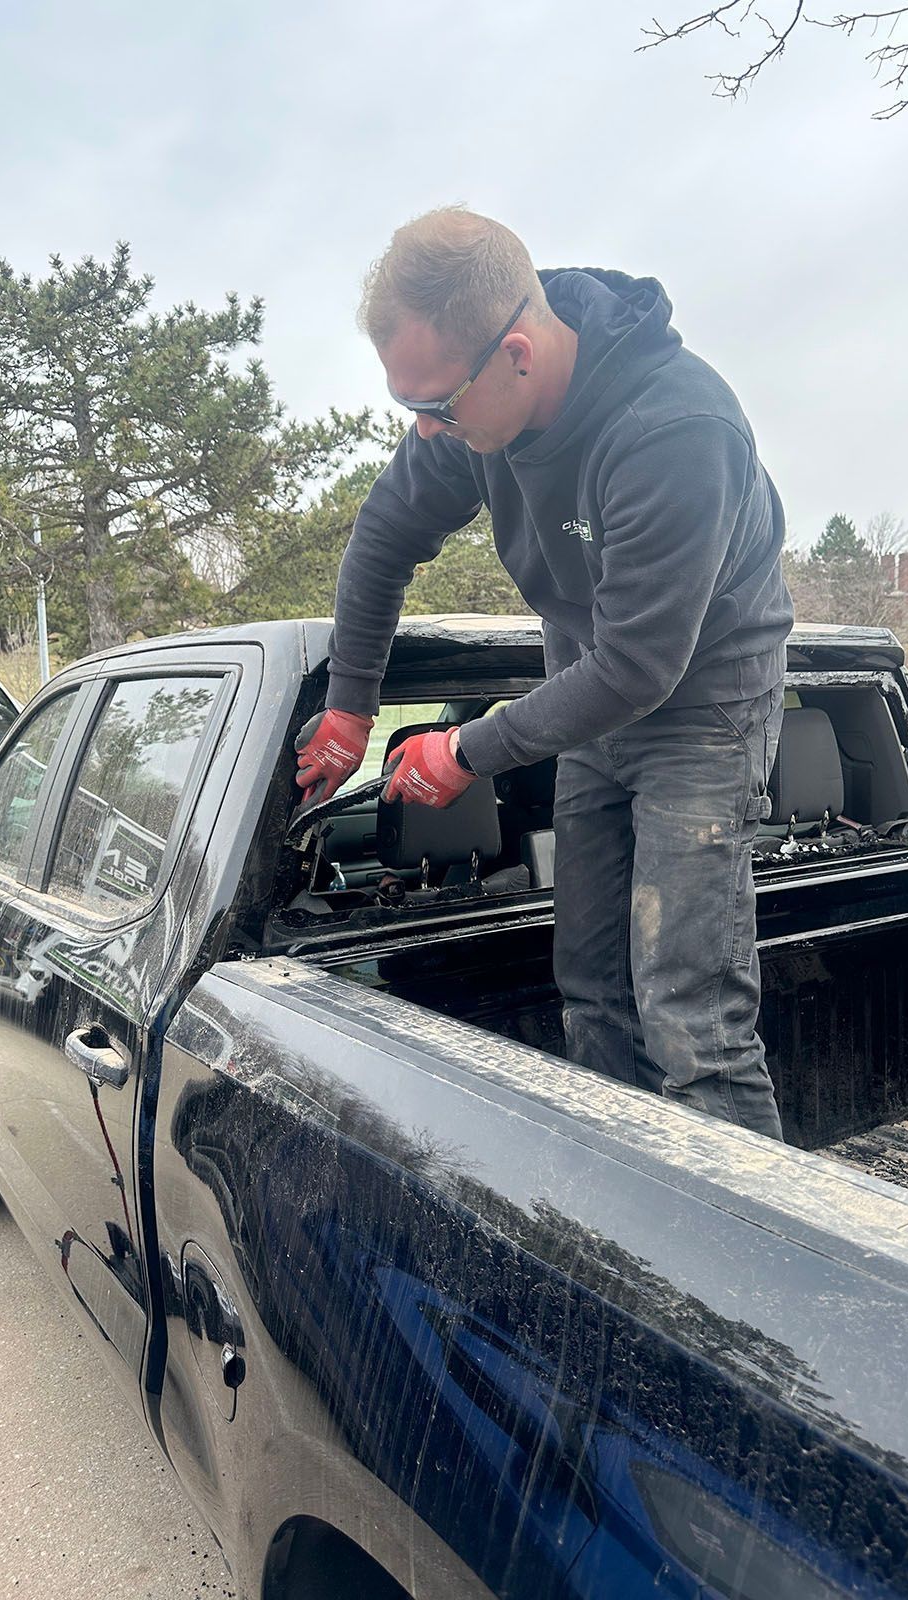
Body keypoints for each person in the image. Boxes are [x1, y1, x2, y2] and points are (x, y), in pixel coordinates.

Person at [295, 207, 793, 1139]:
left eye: (436, 405)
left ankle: (754, 1274)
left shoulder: (676, 426)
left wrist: (471, 750)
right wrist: (351, 703)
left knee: (692, 1020)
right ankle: (630, 1224)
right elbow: (381, 537)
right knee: (592, 992)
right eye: (408, 407)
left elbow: (642, 663)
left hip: (702, 712)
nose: (426, 432)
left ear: (517, 353)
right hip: (593, 708)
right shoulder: (474, 416)